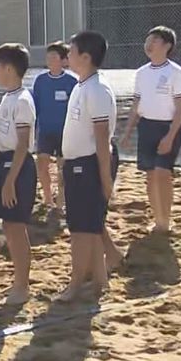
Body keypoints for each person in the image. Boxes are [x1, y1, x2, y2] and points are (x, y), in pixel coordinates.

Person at [58, 31, 120, 302]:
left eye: (71, 52)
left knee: (82, 229)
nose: (67, 56)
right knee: (89, 225)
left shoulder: (96, 89)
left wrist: (106, 180)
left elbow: (102, 138)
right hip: (77, 163)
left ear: (86, 57)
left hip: (90, 164)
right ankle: (99, 279)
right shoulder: (81, 85)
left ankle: (76, 284)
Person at [118, 26, 181, 234]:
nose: (149, 44)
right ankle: (157, 218)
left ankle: (166, 221)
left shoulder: (176, 73)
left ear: (167, 45)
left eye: (155, 40)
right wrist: (128, 131)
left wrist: (170, 135)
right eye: (148, 40)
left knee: (162, 173)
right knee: (150, 175)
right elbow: (137, 104)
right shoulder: (141, 73)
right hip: (147, 126)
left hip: (168, 127)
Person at [0, 43, 38, 305]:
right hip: (4, 160)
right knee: (8, 225)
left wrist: (10, 180)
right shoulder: (9, 97)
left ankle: (22, 285)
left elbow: (23, 144)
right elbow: (12, 140)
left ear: (8, 68)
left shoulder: (23, 100)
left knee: (16, 227)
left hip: (16, 167)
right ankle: (18, 282)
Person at [31, 41, 77, 214]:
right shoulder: (41, 81)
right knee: (42, 164)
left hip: (65, 132)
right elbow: (35, 106)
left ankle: (61, 202)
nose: (50, 60)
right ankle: (48, 198)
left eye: (54, 57)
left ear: (63, 60)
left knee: (62, 168)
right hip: (45, 130)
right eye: (48, 56)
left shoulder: (71, 81)